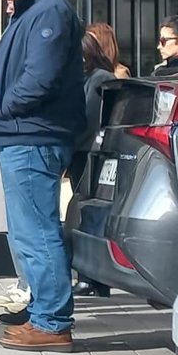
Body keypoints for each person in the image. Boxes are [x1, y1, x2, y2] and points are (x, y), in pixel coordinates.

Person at [0, 0, 85, 352]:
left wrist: (3, 109)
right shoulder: (33, 13)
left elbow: (39, 79)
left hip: (32, 138)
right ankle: (43, 312)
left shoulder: (50, 12)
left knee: (38, 232)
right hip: (22, 136)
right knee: (27, 233)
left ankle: (53, 322)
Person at [68, 31, 118, 299]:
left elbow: (87, 120)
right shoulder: (91, 78)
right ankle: (93, 278)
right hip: (86, 152)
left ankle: (90, 277)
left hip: (90, 153)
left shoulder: (99, 79)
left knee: (87, 213)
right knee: (86, 213)